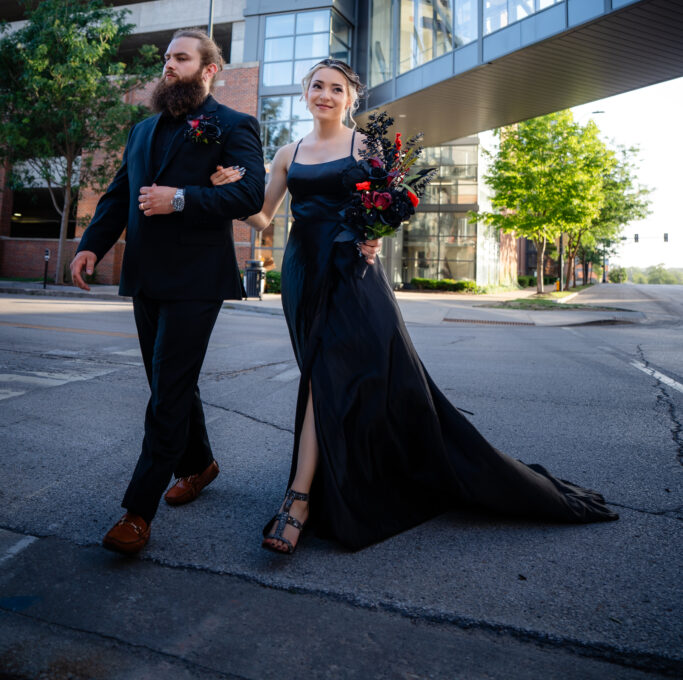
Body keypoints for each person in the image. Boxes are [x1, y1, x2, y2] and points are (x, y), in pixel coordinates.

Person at [213, 57, 618, 554]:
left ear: (350, 98)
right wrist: (231, 189)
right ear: (306, 92)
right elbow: (262, 217)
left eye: (335, 88)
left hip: (355, 274)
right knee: (324, 375)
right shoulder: (286, 152)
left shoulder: (367, 146)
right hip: (303, 272)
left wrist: (374, 235)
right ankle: (327, 480)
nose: (325, 94)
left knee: (331, 374)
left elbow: (387, 206)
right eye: (316, 86)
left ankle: (298, 499)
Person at [70, 28, 265, 555]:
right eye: (166, 58)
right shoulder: (142, 131)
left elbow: (250, 193)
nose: (168, 66)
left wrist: (180, 198)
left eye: (181, 58)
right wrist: (92, 245)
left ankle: (137, 510)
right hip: (145, 276)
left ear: (209, 69)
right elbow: (118, 196)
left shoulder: (232, 125)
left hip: (198, 279)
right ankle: (199, 464)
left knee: (169, 391)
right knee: (169, 379)